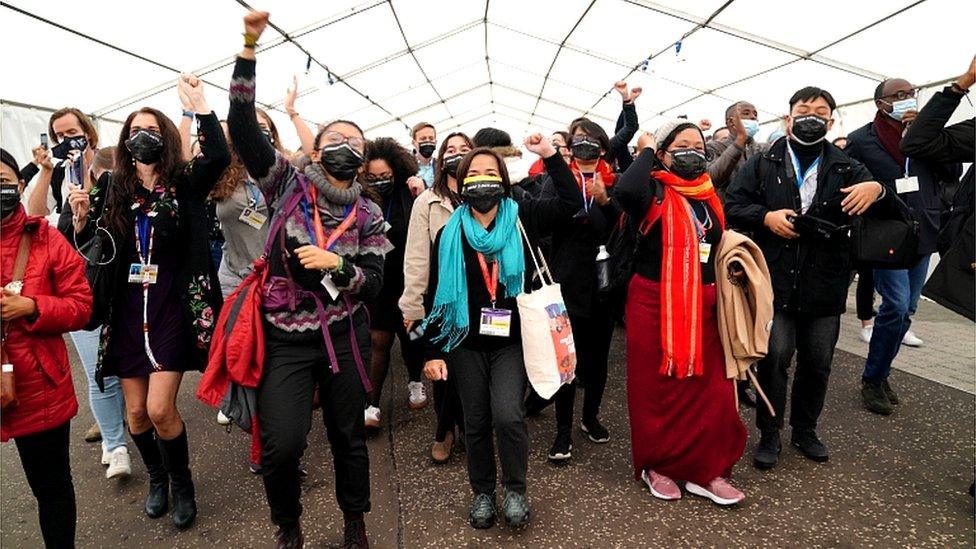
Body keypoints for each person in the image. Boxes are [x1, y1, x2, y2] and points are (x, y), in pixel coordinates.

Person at [229, 11, 392, 548]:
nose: (346, 146)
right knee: (281, 445)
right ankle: (288, 525)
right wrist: (250, 46)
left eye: (356, 142)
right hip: (284, 338)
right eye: (336, 138)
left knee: (348, 436)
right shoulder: (286, 184)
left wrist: (339, 267)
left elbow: (374, 281)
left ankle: (355, 522)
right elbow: (243, 127)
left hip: (344, 336)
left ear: (364, 159)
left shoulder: (368, 212)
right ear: (318, 151)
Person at [65, 77, 229, 529]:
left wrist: (200, 107)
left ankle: (183, 482)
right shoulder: (110, 188)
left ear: (166, 139)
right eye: (136, 129)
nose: (143, 136)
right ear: (124, 140)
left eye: (152, 130)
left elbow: (218, 156)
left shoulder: (184, 183)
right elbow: (81, 243)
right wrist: (79, 220)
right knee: (136, 413)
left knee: (160, 409)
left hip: (171, 306)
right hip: (124, 309)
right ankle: (158, 479)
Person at [725, 86, 890, 471]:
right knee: (776, 358)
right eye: (803, 110)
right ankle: (769, 433)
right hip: (776, 282)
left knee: (818, 361)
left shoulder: (845, 165)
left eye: (820, 111)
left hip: (825, 284)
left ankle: (805, 430)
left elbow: (885, 203)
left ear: (831, 121)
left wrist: (877, 187)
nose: (811, 116)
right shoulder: (765, 160)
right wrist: (765, 217)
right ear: (788, 118)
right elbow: (733, 203)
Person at [422, 137, 581, 529]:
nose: (482, 180)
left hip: (512, 341)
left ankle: (515, 489)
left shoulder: (523, 215)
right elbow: (435, 293)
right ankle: (481, 491)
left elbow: (570, 205)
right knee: (475, 421)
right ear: (459, 183)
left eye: (490, 173)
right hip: (464, 341)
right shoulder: (449, 233)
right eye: (473, 174)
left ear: (504, 179)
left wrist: (551, 155)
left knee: (508, 416)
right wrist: (432, 351)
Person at [613, 121, 747, 505]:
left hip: (705, 304)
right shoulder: (652, 189)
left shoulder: (707, 192)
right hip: (653, 304)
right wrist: (646, 148)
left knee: (711, 392)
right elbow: (624, 188)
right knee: (657, 390)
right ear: (664, 153)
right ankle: (660, 466)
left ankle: (706, 471)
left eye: (698, 145)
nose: (692, 152)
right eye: (682, 145)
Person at [846, 77, 962, 415]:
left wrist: (923, 136)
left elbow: (952, 172)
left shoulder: (928, 133)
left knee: (908, 309)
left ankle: (880, 372)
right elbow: (849, 176)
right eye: (898, 95)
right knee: (895, 306)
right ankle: (873, 378)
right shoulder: (860, 139)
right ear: (880, 102)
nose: (906, 99)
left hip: (923, 231)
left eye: (910, 93)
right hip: (886, 235)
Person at [2, 147, 93, 549]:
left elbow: (82, 305)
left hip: (38, 386)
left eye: (3, 183)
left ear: (20, 185)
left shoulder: (44, 237)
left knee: (51, 487)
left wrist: (33, 306)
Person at [527, 115, 621, 461]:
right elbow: (549, 220)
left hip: (605, 281)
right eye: (578, 138)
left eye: (591, 139)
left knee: (597, 360)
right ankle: (562, 432)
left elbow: (620, 229)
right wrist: (579, 206)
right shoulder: (558, 179)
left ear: (603, 146)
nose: (585, 144)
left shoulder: (616, 180)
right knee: (567, 359)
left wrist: (604, 202)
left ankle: (590, 417)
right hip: (568, 279)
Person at [53, 146, 132, 478]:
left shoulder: (136, 205)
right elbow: (63, 253)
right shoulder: (75, 208)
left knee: (126, 373)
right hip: (85, 304)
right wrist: (81, 220)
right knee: (102, 377)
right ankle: (115, 447)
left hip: (125, 301)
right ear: (95, 175)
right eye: (110, 176)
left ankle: (125, 430)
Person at [400, 132, 473, 463]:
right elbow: (416, 256)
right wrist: (413, 304)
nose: (458, 155)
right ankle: (444, 430)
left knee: (474, 369)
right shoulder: (428, 201)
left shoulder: (487, 196)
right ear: (442, 159)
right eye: (452, 150)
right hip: (442, 300)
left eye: (465, 150)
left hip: (481, 298)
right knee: (443, 369)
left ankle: (471, 427)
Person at [362, 137, 427, 429]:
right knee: (378, 340)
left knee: (412, 336)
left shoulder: (410, 195)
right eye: (373, 177)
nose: (379, 182)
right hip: (378, 280)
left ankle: (415, 381)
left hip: (409, 279)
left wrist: (420, 193)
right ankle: (371, 404)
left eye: (385, 176)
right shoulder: (362, 198)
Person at [23, 108, 101, 218]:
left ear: (88, 134)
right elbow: (35, 213)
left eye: (72, 132)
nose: (66, 139)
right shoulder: (60, 171)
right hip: (69, 233)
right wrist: (46, 170)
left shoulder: (107, 161)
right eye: (60, 135)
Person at [707, 101, 765, 194]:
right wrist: (739, 141)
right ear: (731, 122)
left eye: (755, 114)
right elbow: (712, 178)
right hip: (728, 207)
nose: (753, 117)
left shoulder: (764, 149)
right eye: (746, 113)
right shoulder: (715, 147)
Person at [412, 122, 437, 190]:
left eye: (431, 138)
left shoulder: (441, 166)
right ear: (414, 143)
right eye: (423, 139)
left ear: (436, 142)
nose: (428, 141)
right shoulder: (405, 167)